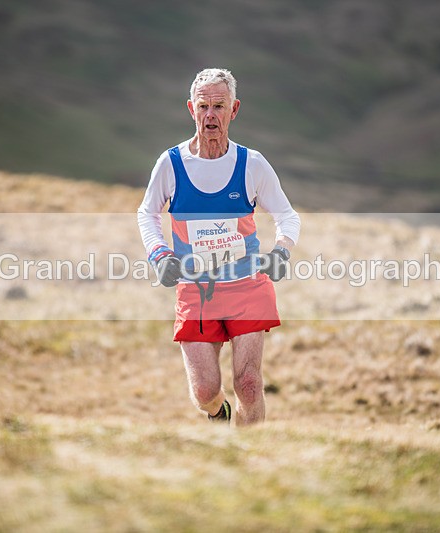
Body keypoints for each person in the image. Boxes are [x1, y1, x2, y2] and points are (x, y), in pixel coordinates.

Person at [137, 68, 300, 426]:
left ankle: (248, 459)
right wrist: (159, 254)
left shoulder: (251, 164)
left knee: (250, 384)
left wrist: (282, 250)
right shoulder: (171, 164)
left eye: (219, 106)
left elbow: (288, 216)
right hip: (197, 291)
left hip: (247, 286)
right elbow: (147, 213)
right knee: (205, 392)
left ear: (234, 109)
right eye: (203, 106)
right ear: (191, 110)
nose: (210, 115)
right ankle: (219, 416)